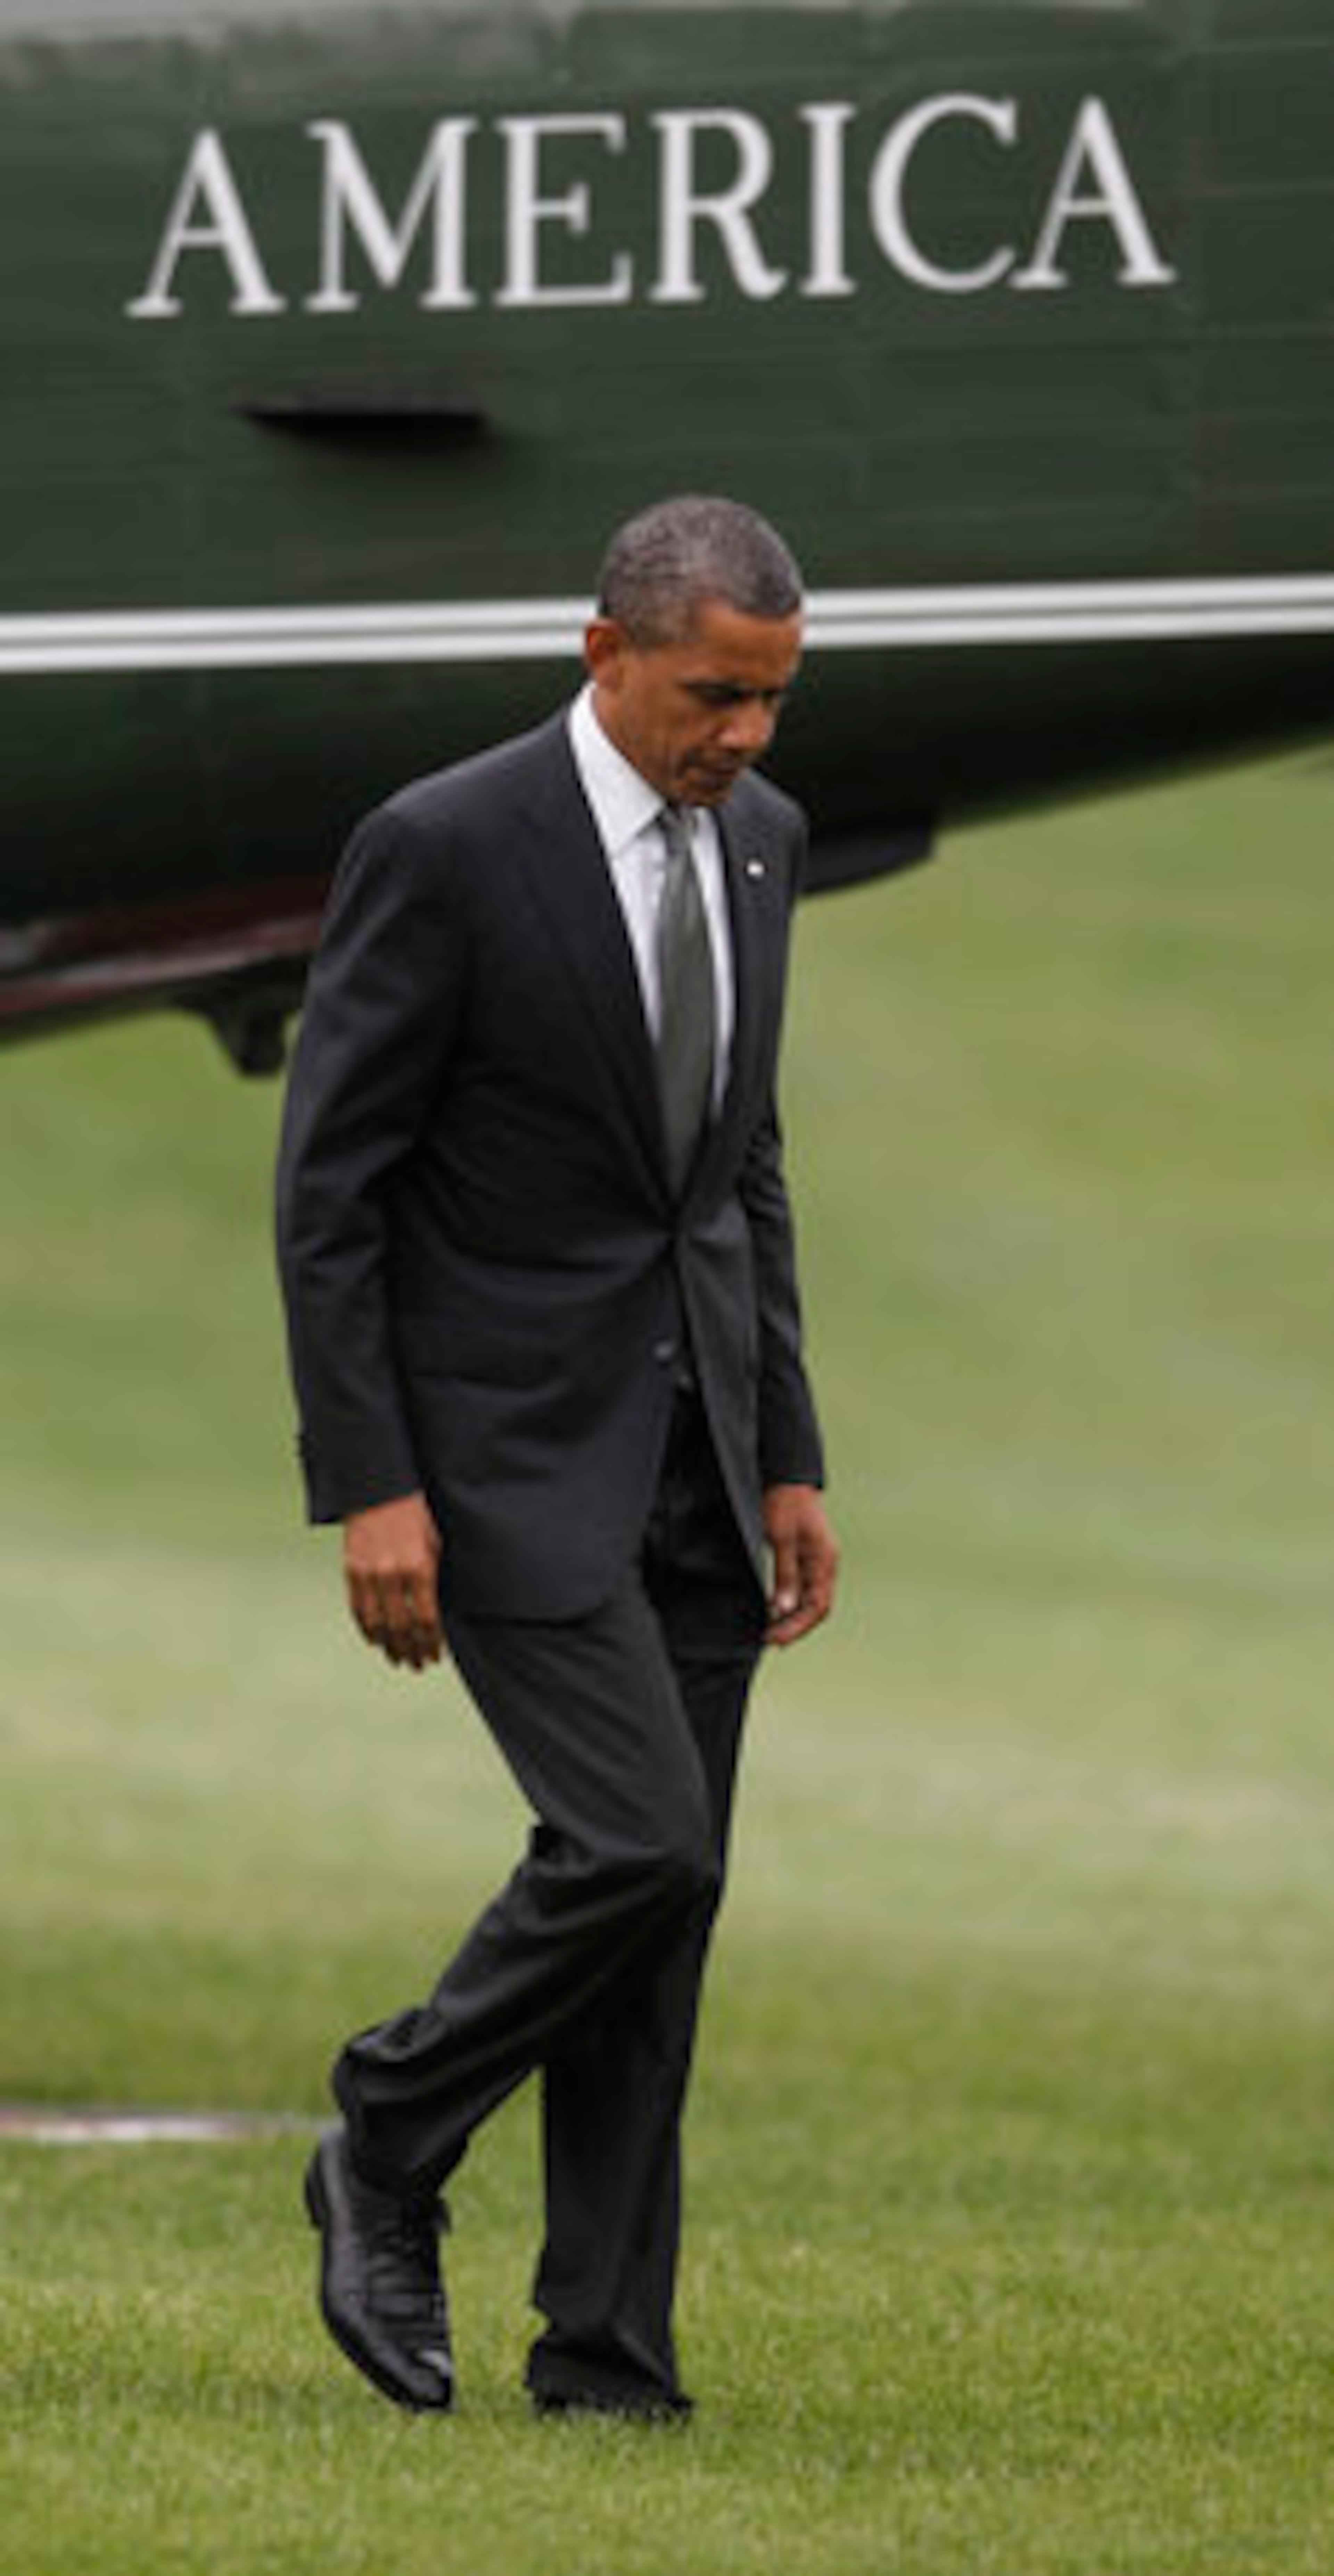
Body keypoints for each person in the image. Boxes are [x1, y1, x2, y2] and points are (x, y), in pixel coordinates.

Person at [275, 493, 839, 2425]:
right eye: (716, 694)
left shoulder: (763, 843)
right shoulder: (444, 846)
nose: (747, 736)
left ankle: (606, 2357)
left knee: (665, 1913)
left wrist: (790, 1453)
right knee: (638, 1839)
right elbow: (331, 1189)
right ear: (605, 655)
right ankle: (387, 2128)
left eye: (773, 697)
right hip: (502, 1453)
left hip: (704, 1451)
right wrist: (371, 1477)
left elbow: (737, 1169)